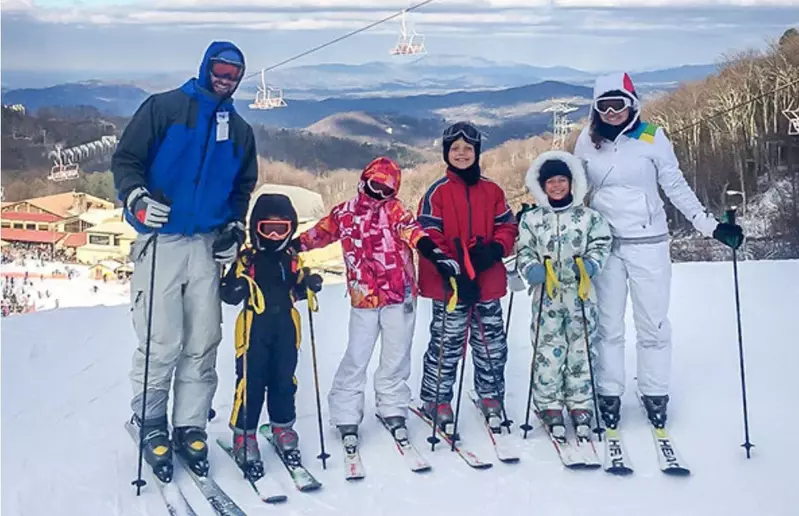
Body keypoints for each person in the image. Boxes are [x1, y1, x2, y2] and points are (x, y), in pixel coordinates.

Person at [112, 41, 258, 480]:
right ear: (206, 66)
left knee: (203, 339)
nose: (225, 78)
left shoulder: (239, 131)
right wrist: (136, 199)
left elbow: (241, 189)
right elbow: (127, 159)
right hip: (163, 239)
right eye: (220, 70)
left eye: (233, 73)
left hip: (206, 245)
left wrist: (234, 230)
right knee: (161, 338)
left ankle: (190, 422)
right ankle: (151, 420)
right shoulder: (165, 108)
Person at [573, 72, 744, 430]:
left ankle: (654, 391)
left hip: (648, 242)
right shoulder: (588, 141)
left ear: (632, 104)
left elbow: (675, 185)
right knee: (607, 324)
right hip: (605, 245)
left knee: (653, 324)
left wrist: (710, 225)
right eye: (604, 106)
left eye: (618, 104)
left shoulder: (652, 137)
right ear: (595, 108)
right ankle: (608, 392)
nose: (612, 112)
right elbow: (575, 190)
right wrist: (548, 214)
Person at [290, 157, 460, 443]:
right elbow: (319, 234)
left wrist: (436, 255)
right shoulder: (344, 213)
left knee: (397, 354)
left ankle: (392, 406)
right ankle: (345, 411)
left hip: (399, 295)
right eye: (374, 186)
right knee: (357, 355)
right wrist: (290, 246)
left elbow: (415, 233)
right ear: (364, 181)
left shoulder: (395, 210)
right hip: (364, 297)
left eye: (386, 189)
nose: (379, 193)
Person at [416, 121, 518, 434]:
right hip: (452, 284)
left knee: (491, 343)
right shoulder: (437, 192)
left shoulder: (492, 190)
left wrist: (496, 248)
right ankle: (436, 399)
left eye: (468, 149)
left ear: (477, 152)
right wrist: (452, 266)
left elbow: (507, 225)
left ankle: (491, 395)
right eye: (455, 149)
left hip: (486, 279)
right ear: (447, 152)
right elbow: (428, 233)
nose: (462, 154)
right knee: (447, 341)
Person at [220, 192, 323, 477]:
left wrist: (308, 285)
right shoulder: (247, 259)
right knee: (251, 380)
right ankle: (244, 434)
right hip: (254, 325)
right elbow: (227, 292)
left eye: (282, 229)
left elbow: (296, 288)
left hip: (287, 326)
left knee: (284, 378)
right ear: (256, 228)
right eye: (268, 228)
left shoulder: (292, 259)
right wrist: (236, 288)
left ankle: (282, 426)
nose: (275, 236)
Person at [517, 150, 612, 437]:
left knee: (581, 348)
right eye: (550, 182)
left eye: (561, 180)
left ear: (572, 182)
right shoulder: (532, 219)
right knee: (548, 349)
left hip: (580, 295)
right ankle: (549, 404)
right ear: (542, 186)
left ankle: (580, 403)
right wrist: (530, 267)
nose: (557, 186)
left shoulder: (588, 217)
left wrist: (592, 264)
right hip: (547, 295)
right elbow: (524, 248)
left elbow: (601, 242)